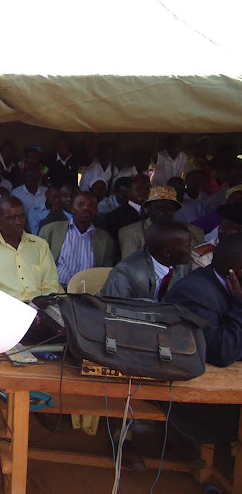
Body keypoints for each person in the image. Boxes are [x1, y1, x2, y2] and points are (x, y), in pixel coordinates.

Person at [163, 233, 242, 445]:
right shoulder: (195, 292)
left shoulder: (230, 285)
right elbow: (222, 353)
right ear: (237, 273)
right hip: (196, 393)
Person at [0, 195, 62, 302]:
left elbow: (50, 284)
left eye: (21, 216)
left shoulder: (39, 245)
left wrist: (41, 306)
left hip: (41, 309)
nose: (18, 222)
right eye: (11, 218)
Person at [39, 192, 117, 287]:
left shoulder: (105, 239)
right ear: (71, 208)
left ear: (96, 210)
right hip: (55, 290)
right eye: (80, 204)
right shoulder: (50, 230)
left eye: (91, 205)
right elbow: (38, 264)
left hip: (88, 291)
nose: (86, 208)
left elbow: (106, 271)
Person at [101, 220, 191, 299]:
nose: (192, 249)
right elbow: (113, 311)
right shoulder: (126, 273)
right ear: (167, 252)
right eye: (188, 247)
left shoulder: (182, 265)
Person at [118, 186, 204, 260]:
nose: (162, 212)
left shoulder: (194, 232)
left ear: (175, 210)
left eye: (167, 208)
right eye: (157, 208)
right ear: (148, 208)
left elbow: (198, 263)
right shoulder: (130, 233)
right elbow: (129, 268)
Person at [105, 174, 151, 239]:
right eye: (139, 189)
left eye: (147, 188)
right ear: (128, 192)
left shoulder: (153, 212)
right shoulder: (115, 216)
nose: (144, 192)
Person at [11, 166, 47, 232]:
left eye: (34, 176)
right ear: (24, 178)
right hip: (24, 231)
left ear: (39, 177)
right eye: (29, 176)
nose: (32, 179)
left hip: (46, 231)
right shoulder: (16, 193)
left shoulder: (46, 192)